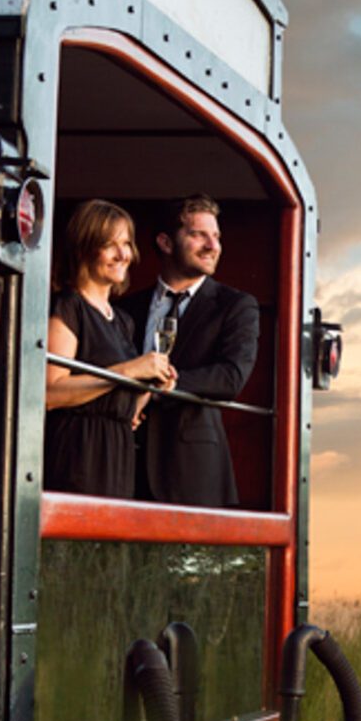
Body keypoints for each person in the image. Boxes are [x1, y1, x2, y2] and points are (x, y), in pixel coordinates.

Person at [121, 194, 259, 507]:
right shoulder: (125, 308)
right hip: (123, 463)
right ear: (166, 243)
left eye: (216, 236)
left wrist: (162, 386)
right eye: (198, 235)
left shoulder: (236, 305)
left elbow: (231, 377)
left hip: (193, 472)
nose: (213, 246)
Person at [44, 200, 175, 497]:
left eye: (127, 243)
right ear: (84, 248)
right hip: (78, 454)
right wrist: (130, 370)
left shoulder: (122, 321)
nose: (123, 254)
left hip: (117, 453)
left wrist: (149, 389)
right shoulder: (68, 307)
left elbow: (122, 409)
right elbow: (50, 392)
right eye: (110, 244)